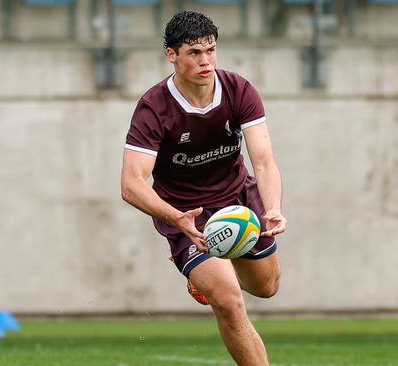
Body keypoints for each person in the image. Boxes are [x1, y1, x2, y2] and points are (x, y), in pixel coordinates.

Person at [121, 10, 286, 366]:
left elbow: (263, 160)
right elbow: (131, 184)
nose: (205, 60)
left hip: (239, 201)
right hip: (187, 214)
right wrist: (175, 218)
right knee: (228, 301)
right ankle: (210, 279)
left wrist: (273, 207)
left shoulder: (238, 90)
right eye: (194, 53)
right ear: (171, 54)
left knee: (266, 287)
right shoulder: (154, 108)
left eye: (210, 50)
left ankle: (203, 282)